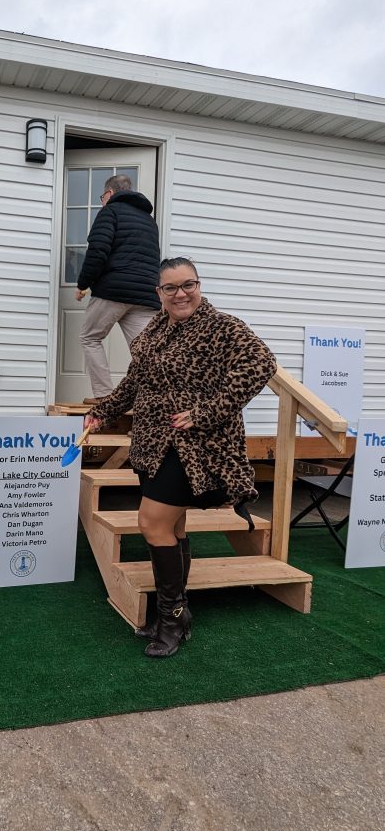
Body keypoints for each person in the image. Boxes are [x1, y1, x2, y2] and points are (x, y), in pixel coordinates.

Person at [84, 257, 276, 658]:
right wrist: (104, 409)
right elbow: (135, 381)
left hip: (193, 446)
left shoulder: (221, 326)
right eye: (170, 288)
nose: (180, 294)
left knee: (151, 522)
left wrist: (208, 411)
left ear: (199, 285)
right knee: (174, 527)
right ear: (159, 294)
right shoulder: (155, 328)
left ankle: (170, 617)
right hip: (151, 443)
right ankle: (178, 613)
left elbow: (261, 364)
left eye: (188, 284)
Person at [75, 174, 161, 402]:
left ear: (110, 194)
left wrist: (83, 284)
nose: (102, 201)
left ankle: (104, 396)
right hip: (146, 296)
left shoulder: (110, 212)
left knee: (90, 337)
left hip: (113, 291)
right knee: (146, 352)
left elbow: (97, 251)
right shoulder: (149, 221)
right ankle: (152, 400)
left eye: (102, 196)